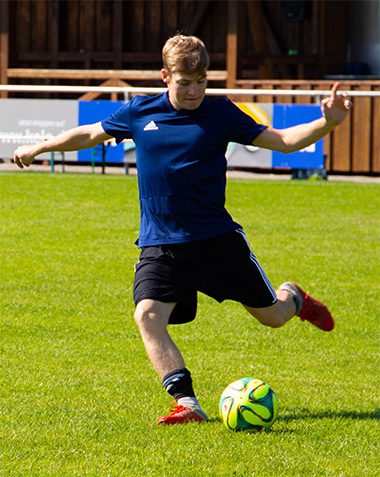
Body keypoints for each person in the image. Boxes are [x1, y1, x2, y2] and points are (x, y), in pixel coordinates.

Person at [14, 35, 352, 425]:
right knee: (147, 316)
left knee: (273, 317)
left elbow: (284, 142)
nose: (194, 91)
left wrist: (328, 122)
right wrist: (41, 147)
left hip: (216, 242)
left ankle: (294, 297)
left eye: (201, 81)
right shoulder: (140, 112)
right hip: (161, 244)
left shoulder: (221, 113)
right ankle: (187, 403)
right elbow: (89, 133)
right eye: (184, 82)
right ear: (165, 77)